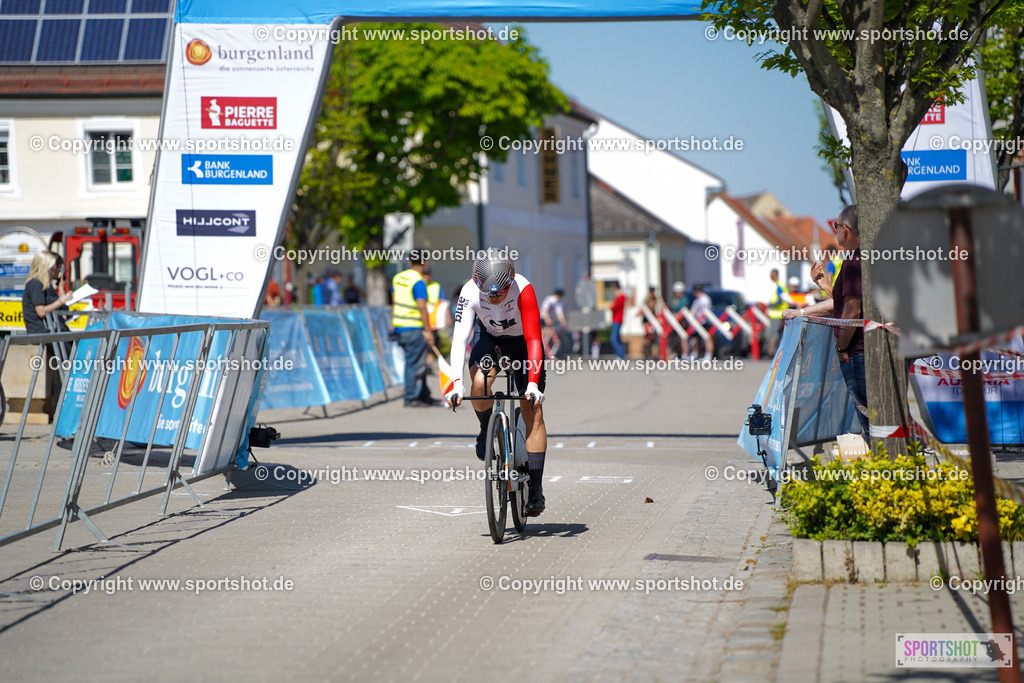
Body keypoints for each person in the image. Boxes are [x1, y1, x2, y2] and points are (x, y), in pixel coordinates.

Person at [444, 254, 548, 516]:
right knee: (479, 381)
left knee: (532, 411)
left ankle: (536, 489)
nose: (492, 300)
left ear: (509, 283)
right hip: (489, 339)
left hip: (523, 344)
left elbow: (535, 339)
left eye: (499, 295)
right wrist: (456, 384)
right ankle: (485, 430)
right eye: (487, 295)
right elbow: (459, 341)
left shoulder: (523, 289)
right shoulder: (469, 291)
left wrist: (533, 385)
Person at [830, 205, 868, 434]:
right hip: (866, 347)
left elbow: (852, 311)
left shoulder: (854, 261)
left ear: (845, 230)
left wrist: (842, 347)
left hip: (857, 350)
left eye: (836, 226)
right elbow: (844, 304)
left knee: (868, 414)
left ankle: (887, 465)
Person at [22, 251, 72, 421]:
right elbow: (41, 311)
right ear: (47, 266)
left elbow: (63, 315)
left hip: (52, 331)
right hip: (41, 331)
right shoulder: (35, 284)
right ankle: (67, 403)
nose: (57, 270)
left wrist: (60, 291)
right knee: (70, 357)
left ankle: (67, 400)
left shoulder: (45, 286)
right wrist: (61, 300)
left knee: (75, 347)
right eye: (55, 267)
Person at [391, 256, 436, 407]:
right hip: (413, 327)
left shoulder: (398, 278)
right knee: (414, 364)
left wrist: (393, 323)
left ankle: (423, 395)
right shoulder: (418, 281)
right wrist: (428, 330)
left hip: (400, 326)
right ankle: (411, 397)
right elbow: (422, 306)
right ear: (425, 262)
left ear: (410, 262)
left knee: (415, 362)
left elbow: (394, 301)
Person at [767, 268, 795, 355]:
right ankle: (779, 352)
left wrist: (771, 304)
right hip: (781, 313)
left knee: (774, 334)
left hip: (777, 314)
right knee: (780, 334)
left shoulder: (779, 286)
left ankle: (772, 352)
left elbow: (780, 300)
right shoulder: (781, 285)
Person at [540, 288, 568, 359]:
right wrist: (547, 319)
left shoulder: (558, 302)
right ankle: (543, 353)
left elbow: (559, 313)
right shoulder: (549, 299)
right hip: (543, 319)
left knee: (547, 338)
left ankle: (547, 354)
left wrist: (563, 321)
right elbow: (544, 309)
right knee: (543, 337)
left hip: (549, 320)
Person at [690, 285, 714, 360]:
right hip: (697, 322)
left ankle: (708, 355)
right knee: (696, 339)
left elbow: (706, 311)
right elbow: (693, 311)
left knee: (707, 338)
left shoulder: (705, 299)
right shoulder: (697, 300)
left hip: (704, 321)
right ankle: (695, 354)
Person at [609, 281, 628, 359]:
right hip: (615, 320)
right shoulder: (619, 297)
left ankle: (620, 355)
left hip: (617, 320)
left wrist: (612, 304)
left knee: (613, 339)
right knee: (617, 338)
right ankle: (619, 355)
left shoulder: (620, 297)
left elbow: (613, 307)